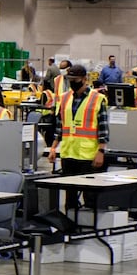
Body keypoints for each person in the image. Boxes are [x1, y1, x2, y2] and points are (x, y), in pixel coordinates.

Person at [48, 64, 109, 209]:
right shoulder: (64, 98)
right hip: (68, 153)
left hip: (88, 155)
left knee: (90, 198)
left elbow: (103, 129)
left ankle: (89, 229)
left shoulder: (98, 99)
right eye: (70, 79)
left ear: (84, 79)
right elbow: (60, 126)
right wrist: (53, 147)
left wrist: (101, 152)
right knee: (70, 199)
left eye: (75, 79)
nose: (72, 83)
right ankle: (71, 228)